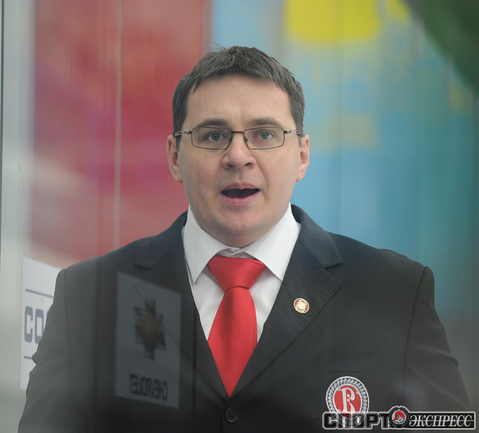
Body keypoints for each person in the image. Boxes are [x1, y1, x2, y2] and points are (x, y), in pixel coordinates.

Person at [19, 46, 471, 433]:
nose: (238, 156)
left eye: (264, 134)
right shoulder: (89, 297)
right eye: (213, 135)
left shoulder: (394, 293)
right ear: (175, 157)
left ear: (302, 155)